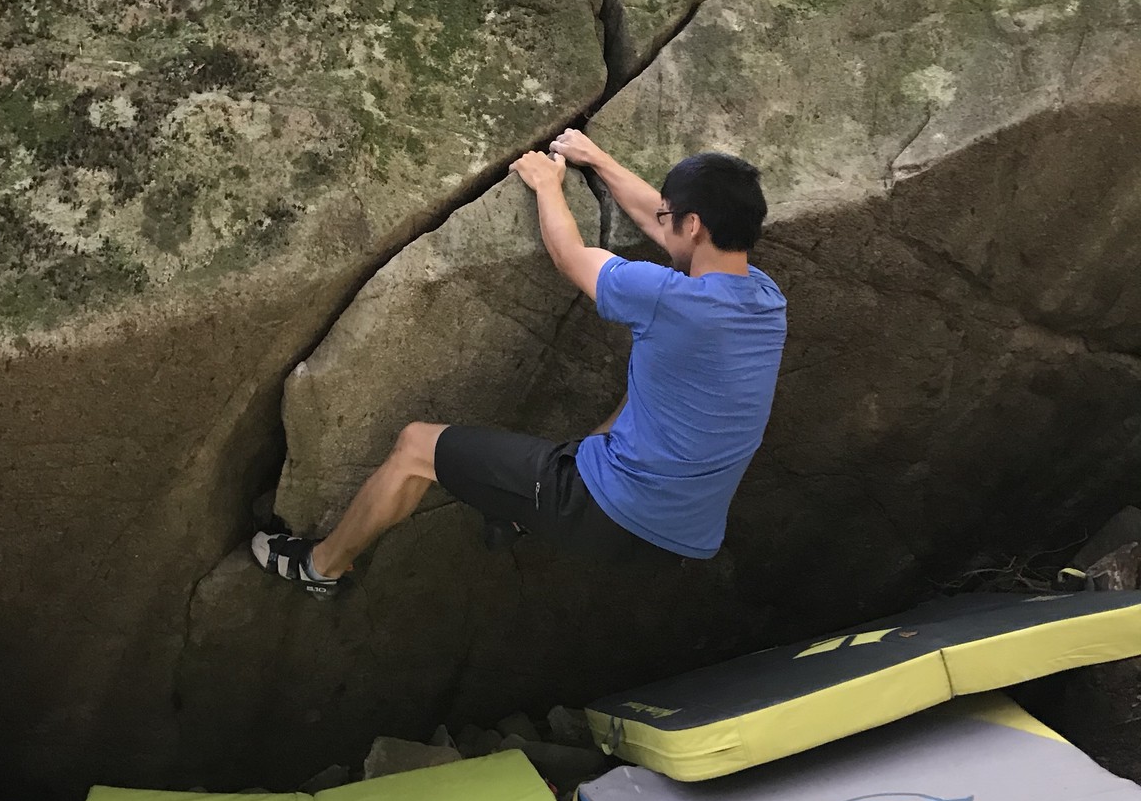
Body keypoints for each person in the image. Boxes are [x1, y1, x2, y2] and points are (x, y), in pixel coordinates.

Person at [252, 132, 787, 597]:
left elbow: (570, 256)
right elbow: (658, 215)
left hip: (608, 516)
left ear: (693, 225)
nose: (660, 220)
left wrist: (548, 185)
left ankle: (321, 567)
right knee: (646, 389)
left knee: (416, 447)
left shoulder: (667, 297)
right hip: (685, 540)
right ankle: (514, 513)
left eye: (672, 216)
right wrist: (596, 158)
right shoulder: (764, 299)